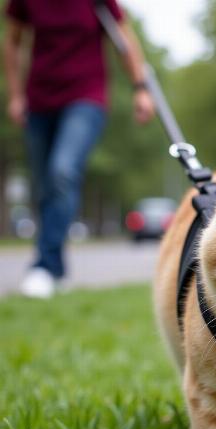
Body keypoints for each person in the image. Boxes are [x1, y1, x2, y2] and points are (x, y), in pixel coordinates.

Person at [3, 0, 155, 298]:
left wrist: (140, 88)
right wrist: (16, 94)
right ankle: (55, 267)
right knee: (44, 185)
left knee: (62, 170)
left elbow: (124, 39)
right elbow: (12, 42)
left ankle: (44, 266)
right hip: (39, 100)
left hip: (86, 98)